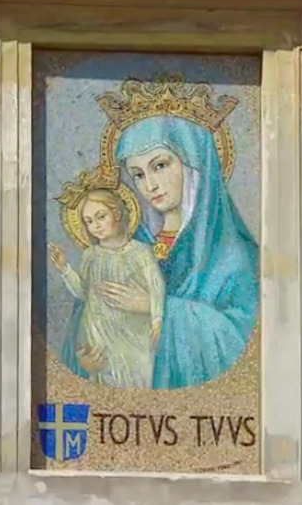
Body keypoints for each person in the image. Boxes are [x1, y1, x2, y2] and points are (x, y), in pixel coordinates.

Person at [60, 116, 260, 390]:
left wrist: (158, 308)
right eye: (138, 175)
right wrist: (85, 355)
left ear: (195, 166)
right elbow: (86, 315)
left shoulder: (236, 257)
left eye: (160, 166)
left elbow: (245, 344)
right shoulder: (123, 248)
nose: (150, 185)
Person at [49, 188, 165, 388]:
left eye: (100, 217)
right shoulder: (91, 256)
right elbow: (84, 293)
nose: (95, 226)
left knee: (136, 381)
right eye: (89, 221)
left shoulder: (140, 253)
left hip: (133, 334)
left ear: (117, 214)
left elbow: (156, 286)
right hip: (100, 334)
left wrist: (157, 317)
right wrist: (64, 269)